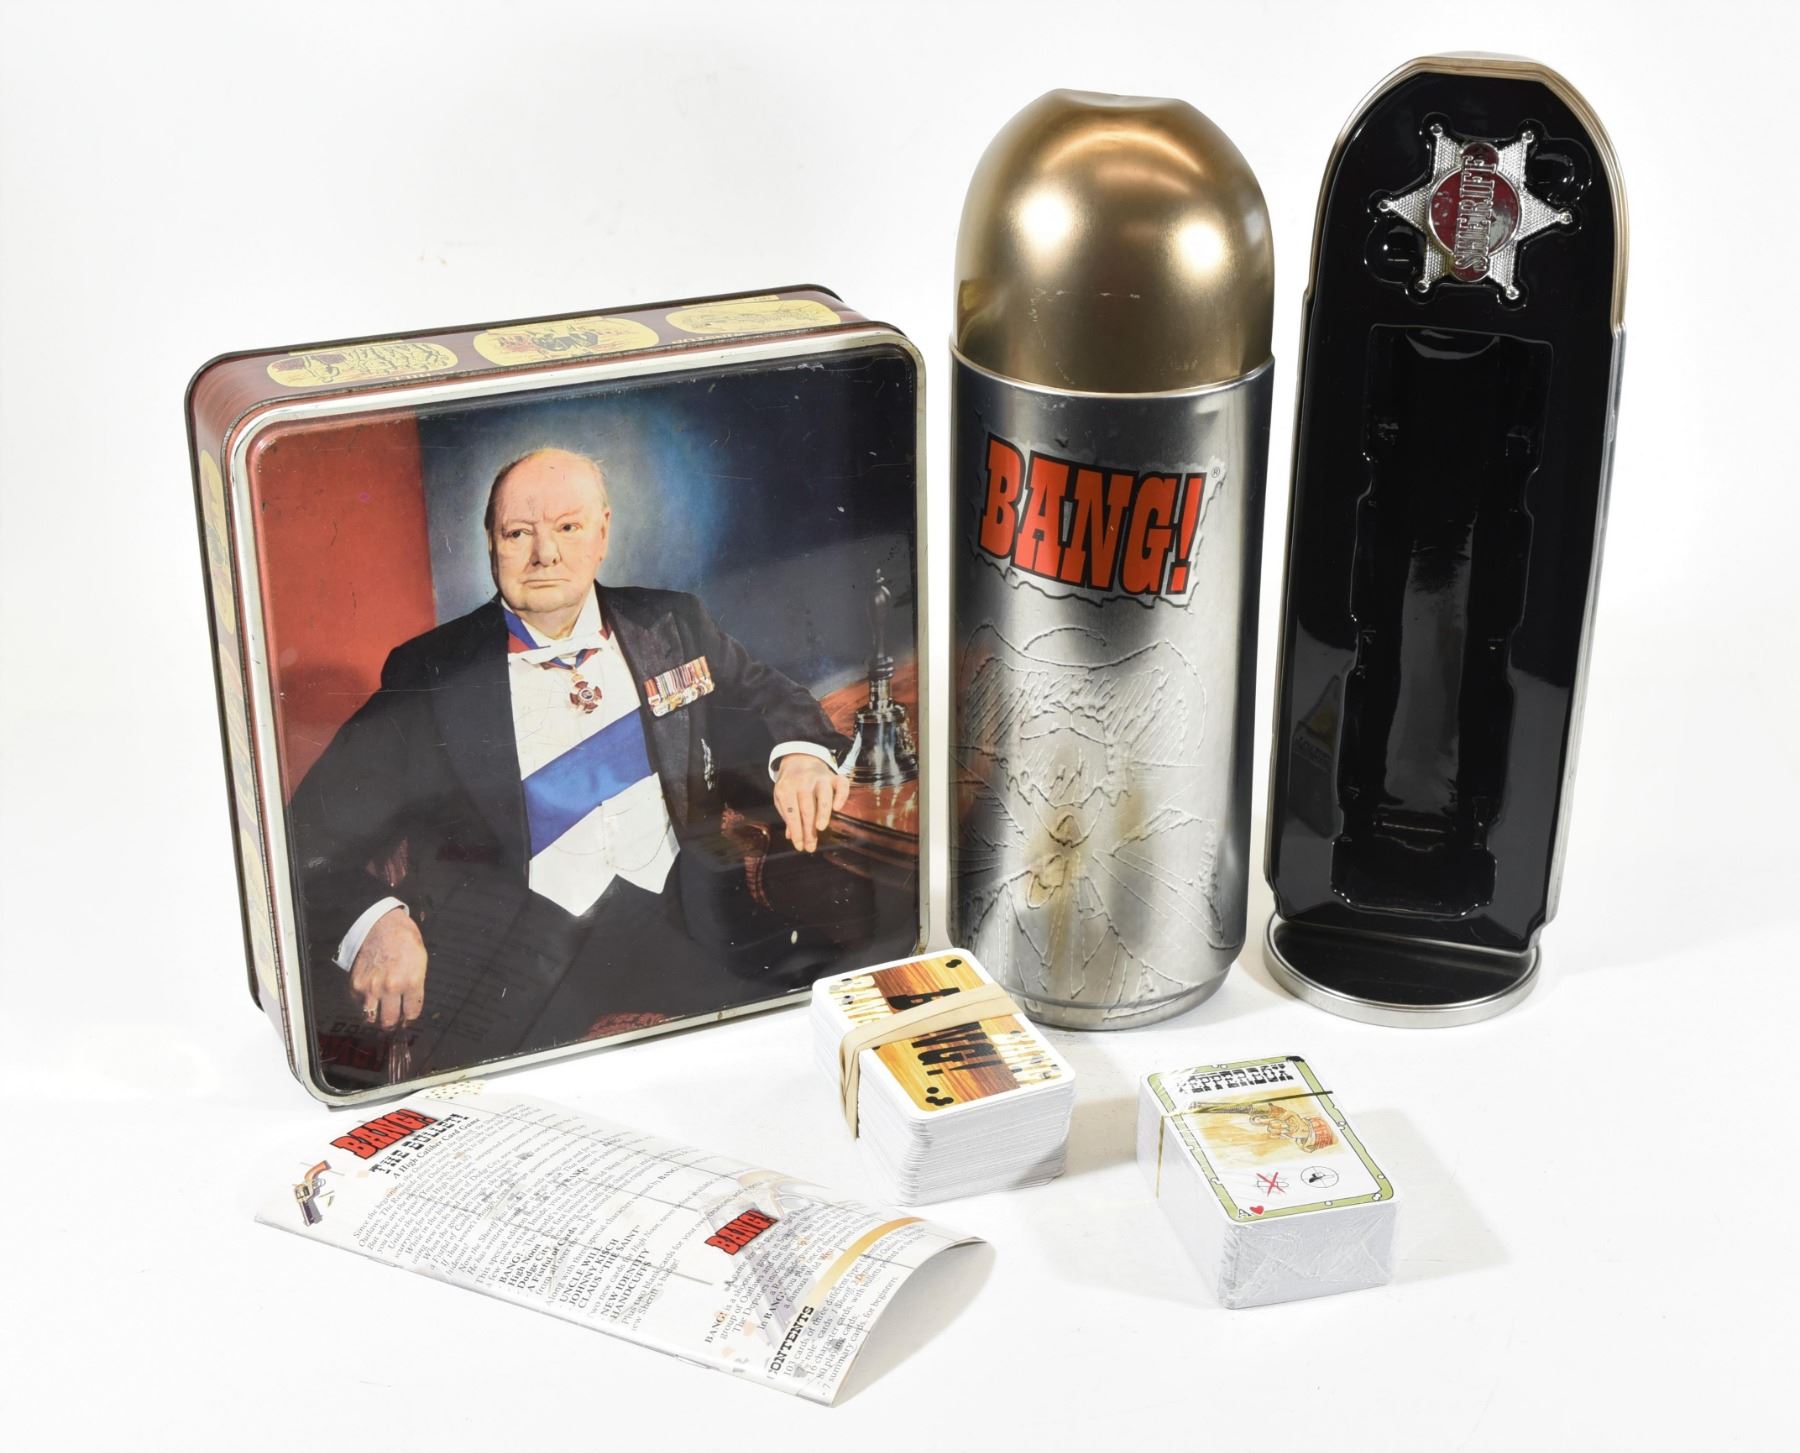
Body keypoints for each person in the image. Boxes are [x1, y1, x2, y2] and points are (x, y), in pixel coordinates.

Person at [287, 447, 853, 1083]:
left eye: (568, 527)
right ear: (490, 542)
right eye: (518, 533)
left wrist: (802, 755)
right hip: (517, 952)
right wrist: (376, 921)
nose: (545, 554)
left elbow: (767, 695)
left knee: (816, 1029)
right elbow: (304, 838)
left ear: (603, 533)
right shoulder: (430, 673)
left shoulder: (673, 623)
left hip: (688, 916)